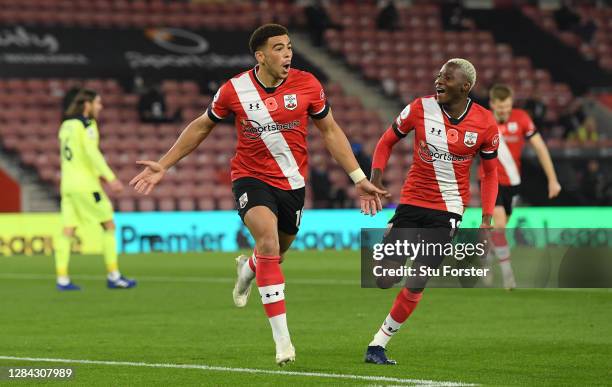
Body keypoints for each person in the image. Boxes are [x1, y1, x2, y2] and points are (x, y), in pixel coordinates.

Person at [129, 24, 386, 366]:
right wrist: (164, 164)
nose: (288, 53)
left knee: (275, 253)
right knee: (267, 242)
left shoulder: (308, 84)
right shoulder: (234, 90)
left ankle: (247, 268)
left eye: (290, 47)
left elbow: (330, 130)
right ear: (261, 56)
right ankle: (284, 343)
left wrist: (357, 177)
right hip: (250, 178)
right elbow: (202, 126)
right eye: (279, 48)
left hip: (292, 183)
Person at [361, 58, 500, 365]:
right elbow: (386, 142)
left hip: (449, 209)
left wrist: (487, 216)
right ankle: (391, 240)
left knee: (418, 278)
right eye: (438, 75)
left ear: (465, 87)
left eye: (446, 78)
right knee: (385, 278)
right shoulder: (419, 108)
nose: (438, 81)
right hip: (411, 203)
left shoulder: (486, 123)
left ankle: (378, 344)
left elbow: (489, 174)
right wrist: (375, 178)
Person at [482, 84, 561, 289]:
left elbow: (541, 148)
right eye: (500, 108)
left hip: (513, 182)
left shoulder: (522, 118)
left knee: (501, 227)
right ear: (492, 104)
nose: (504, 112)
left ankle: (487, 255)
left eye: (507, 107)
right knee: (499, 225)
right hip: (490, 180)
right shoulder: (483, 121)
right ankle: (509, 277)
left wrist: (552, 179)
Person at [55, 89, 135, 291]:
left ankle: (62, 279)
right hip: (86, 185)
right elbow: (92, 153)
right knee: (109, 225)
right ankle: (114, 276)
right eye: (98, 102)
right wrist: (111, 178)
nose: (101, 107)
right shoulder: (87, 124)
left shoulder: (65, 125)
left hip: (67, 185)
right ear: (87, 104)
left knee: (67, 230)